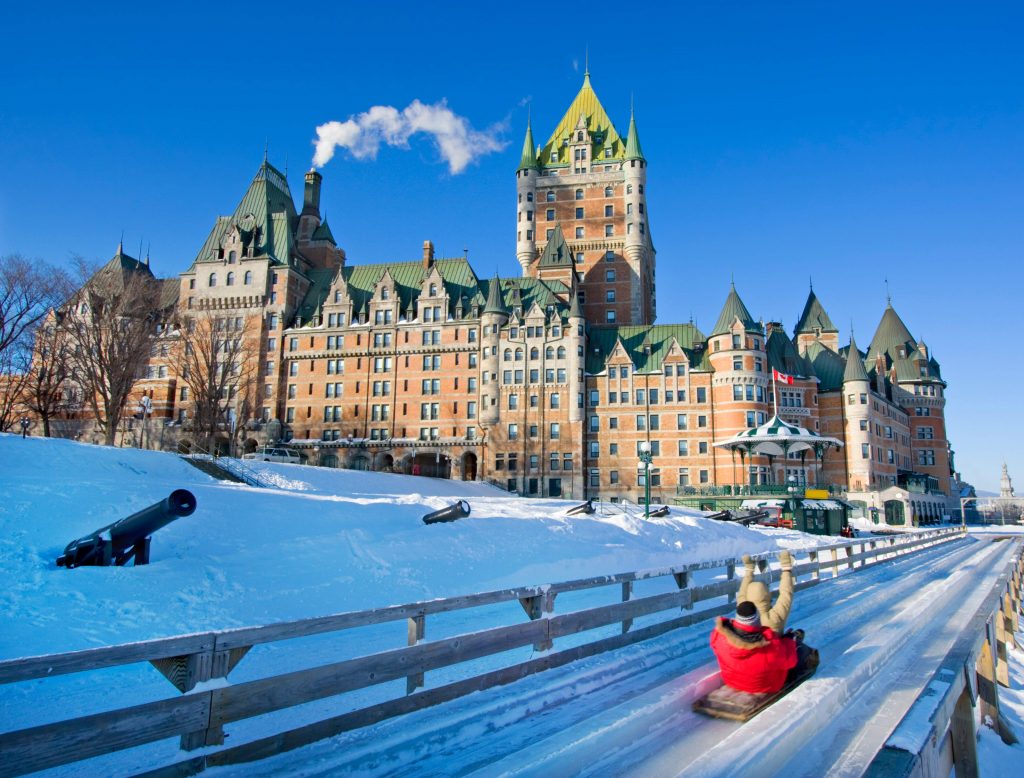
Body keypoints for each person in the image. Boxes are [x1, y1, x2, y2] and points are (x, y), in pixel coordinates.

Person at [710, 600, 798, 694]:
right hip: (764, 687)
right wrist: (789, 641)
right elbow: (791, 661)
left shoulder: (719, 634)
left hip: (731, 682)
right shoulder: (768, 644)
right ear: (757, 620)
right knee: (793, 656)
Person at [737, 550, 794, 633]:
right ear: (767, 595)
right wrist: (786, 569)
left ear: (748, 596)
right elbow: (786, 594)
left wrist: (749, 570)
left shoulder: (744, 616)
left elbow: (742, 593)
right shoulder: (773, 618)